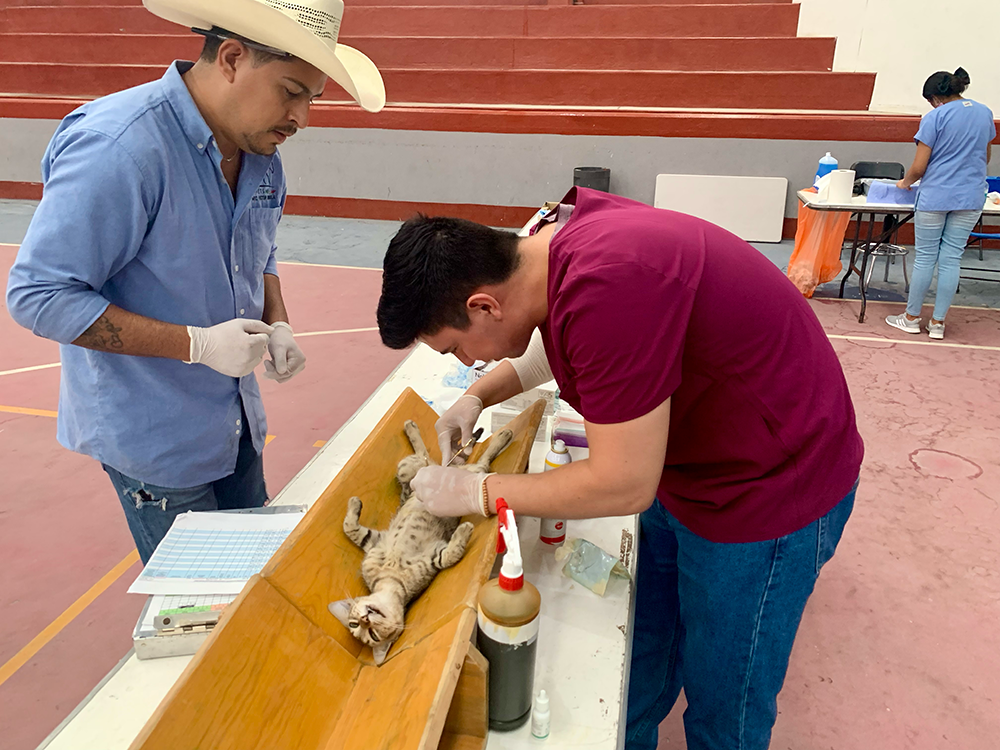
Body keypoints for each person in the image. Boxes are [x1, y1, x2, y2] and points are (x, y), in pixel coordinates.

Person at [376, 187, 864, 750]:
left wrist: (479, 491)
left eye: (458, 350)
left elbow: (624, 482)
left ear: (484, 305)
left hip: (768, 492)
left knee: (724, 704)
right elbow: (557, 343)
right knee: (643, 661)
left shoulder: (610, 284)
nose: (469, 363)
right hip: (690, 471)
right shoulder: (551, 256)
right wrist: (478, 397)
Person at [5, 0, 384, 563]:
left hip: (235, 425)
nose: (301, 117)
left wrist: (277, 318)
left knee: (254, 581)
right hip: (157, 442)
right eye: (290, 91)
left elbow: (259, 248)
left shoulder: (260, 151)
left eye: (312, 98)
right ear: (231, 57)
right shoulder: (121, 148)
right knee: (202, 611)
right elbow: (39, 297)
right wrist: (197, 345)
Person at [886, 67, 995, 341]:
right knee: (951, 258)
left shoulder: (935, 117)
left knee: (925, 257)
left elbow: (919, 166)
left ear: (935, 97)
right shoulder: (984, 113)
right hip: (971, 197)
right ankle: (938, 323)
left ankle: (911, 318)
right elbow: (986, 157)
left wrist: (904, 183)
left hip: (936, 196)